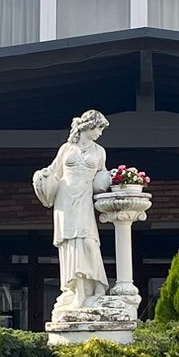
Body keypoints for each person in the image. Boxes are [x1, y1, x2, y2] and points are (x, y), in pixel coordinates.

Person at [32, 109, 111, 318]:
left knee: (88, 242)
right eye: (99, 128)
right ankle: (78, 292)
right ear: (88, 126)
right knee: (70, 244)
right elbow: (53, 172)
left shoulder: (100, 151)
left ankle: (97, 288)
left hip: (84, 199)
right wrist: (42, 177)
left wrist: (110, 178)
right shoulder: (66, 149)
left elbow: (100, 179)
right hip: (65, 200)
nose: (100, 133)